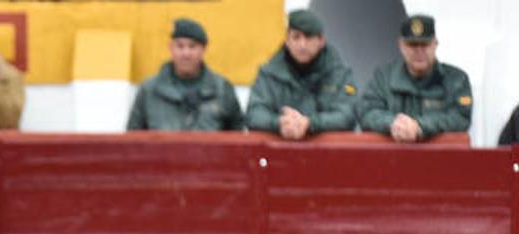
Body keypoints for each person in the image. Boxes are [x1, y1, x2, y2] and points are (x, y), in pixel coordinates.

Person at [359, 14, 472, 143]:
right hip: (393, 159)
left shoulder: (456, 79)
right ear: (401, 45)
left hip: (438, 159)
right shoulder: (383, 77)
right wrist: (394, 124)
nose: (419, 50)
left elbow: (460, 117)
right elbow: (366, 113)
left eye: (425, 44)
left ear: (435, 44)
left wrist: (420, 126)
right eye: (412, 44)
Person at [246, 9, 357, 140]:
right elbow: (254, 114)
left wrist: (310, 123)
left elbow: (347, 115)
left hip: (325, 154)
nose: (302, 45)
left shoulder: (339, 74)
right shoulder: (268, 73)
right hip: (279, 154)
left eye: (308, 37)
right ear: (287, 40)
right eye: (296, 37)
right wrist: (280, 123)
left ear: (321, 40)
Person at [126, 17, 243, 132]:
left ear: (203, 50)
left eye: (192, 46)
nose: (186, 53)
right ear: (171, 48)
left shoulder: (222, 89)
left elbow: (236, 138)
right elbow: (133, 139)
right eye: (180, 46)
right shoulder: (149, 90)